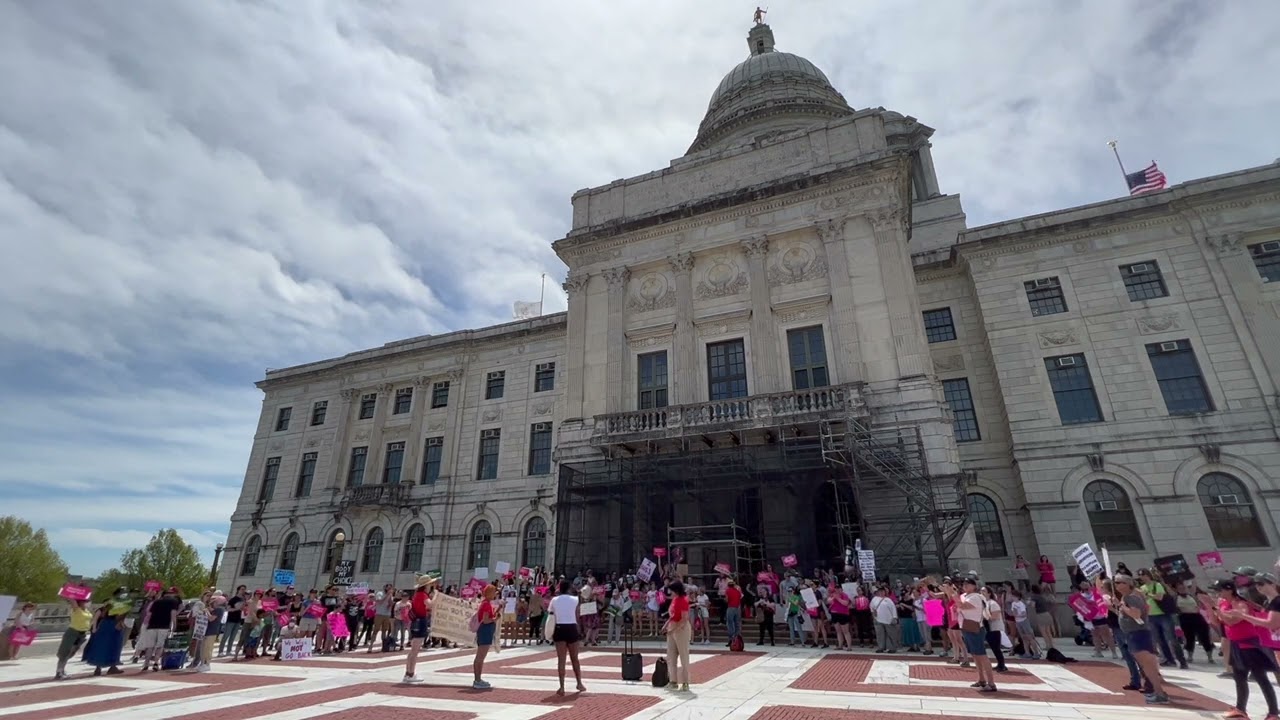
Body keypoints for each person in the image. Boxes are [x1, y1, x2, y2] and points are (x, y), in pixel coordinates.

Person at [1214, 576, 1280, 720]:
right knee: (1239, 677)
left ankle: (1273, 713)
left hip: (1250, 644)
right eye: (1257, 585)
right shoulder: (1225, 603)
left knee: (1261, 677)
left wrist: (1220, 612)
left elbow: (1233, 621)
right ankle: (1241, 709)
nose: (1258, 588)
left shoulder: (1241, 603)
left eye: (1261, 584)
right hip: (1237, 644)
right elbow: (1222, 622)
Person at [1114, 574, 1170, 705]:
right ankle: (1158, 692)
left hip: (1138, 634)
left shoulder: (1131, 597)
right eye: (1115, 583)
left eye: (1118, 582)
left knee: (1148, 666)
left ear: (1127, 584)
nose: (1116, 585)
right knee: (1147, 666)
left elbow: (1135, 614)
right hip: (1135, 633)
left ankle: (1159, 693)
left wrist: (1122, 607)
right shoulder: (1129, 596)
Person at [954, 577, 996, 693]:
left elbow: (963, 606)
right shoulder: (966, 596)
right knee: (975, 655)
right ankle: (981, 679)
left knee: (981, 655)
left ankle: (991, 682)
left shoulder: (975, 597)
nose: (965, 586)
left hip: (975, 628)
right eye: (964, 584)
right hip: (967, 627)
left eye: (968, 584)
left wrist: (952, 595)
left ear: (974, 586)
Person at [549, 579, 586, 696]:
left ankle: (562, 687)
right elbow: (580, 606)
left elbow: (550, 613)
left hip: (559, 627)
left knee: (561, 659)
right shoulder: (574, 599)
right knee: (575, 658)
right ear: (569, 588)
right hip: (571, 627)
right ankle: (579, 683)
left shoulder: (554, 600)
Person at [84, 588, 131, 676]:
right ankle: (106, 666)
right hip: (112, 624)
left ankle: (103, 667)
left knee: (107, 645)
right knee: (112, 645)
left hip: (106, 624)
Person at [402, 574, 437, 683]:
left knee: (413, 650)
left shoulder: (417, 594)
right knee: (415, 650)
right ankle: (411, 674)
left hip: (416, 621)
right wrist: (436, 596)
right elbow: (430, 605)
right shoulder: (422, 595)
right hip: (420, 621)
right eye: (430, 584)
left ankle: (408, 672)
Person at [664, 580, 693, 692]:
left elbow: (684, 618)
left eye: (672, 590)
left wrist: (673, 629)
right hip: (672, 627)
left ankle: (685, 682)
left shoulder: (683, 600)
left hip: (681, 629)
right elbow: (672, 615)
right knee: (671, 656)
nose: (670, 592)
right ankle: (673, 681)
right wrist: (666, 625)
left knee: (683, 655)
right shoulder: (674, 599)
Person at [54, 598, 92, 680]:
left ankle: (62, 670)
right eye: (85, 601)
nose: (88, 603)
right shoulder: (76, 609)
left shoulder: (87, 611)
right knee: (65, 653)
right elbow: (72, 600)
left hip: (82, 634)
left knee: (71, 653)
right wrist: (72, 593)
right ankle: (59, 672)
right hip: (73, 633)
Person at [471, 585, 499, 690]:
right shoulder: (486, 604)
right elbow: (486, 620)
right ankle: (477, 679)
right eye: (494, 592)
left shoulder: (485, 604)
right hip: (485, 631)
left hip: (485, 631)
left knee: (480, 657)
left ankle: (478, 679)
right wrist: (495, 619)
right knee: (480, 657)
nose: (495, 594)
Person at [724, 579, 743, 647]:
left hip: (730, 607)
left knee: (730, 624)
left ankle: (731, 640)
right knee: (737, 624)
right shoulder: (738, 592)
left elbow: (727, 600)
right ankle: (737, 639)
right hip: (737, 608)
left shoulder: (728, 591)